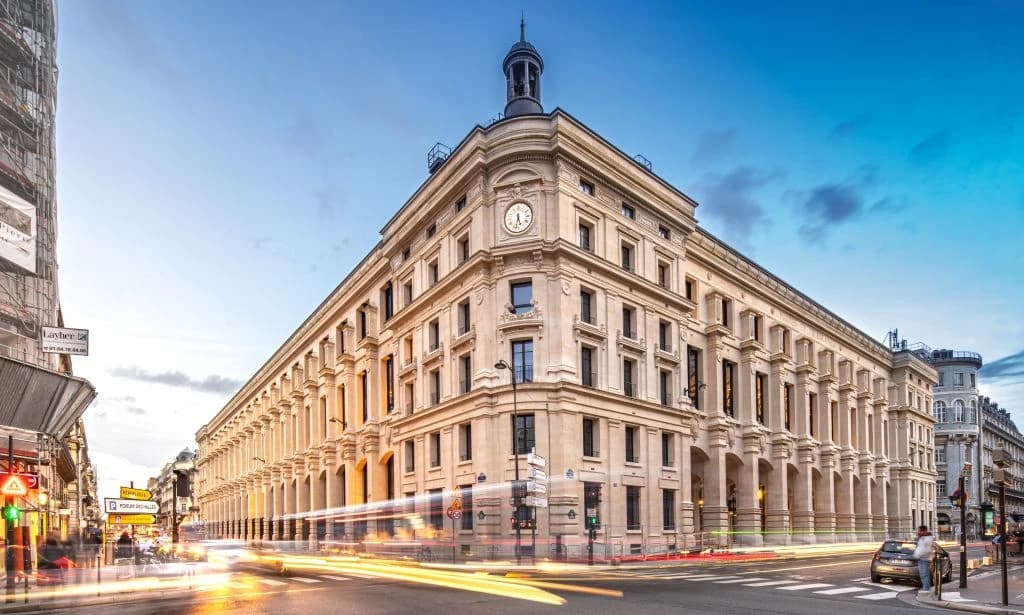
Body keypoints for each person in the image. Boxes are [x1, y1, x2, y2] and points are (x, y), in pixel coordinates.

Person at [913, 525, 935, 594]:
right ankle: (925, 588)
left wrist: (917, 555)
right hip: (922, 558)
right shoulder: (923, 538)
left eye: (919, 531)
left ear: (924, 531)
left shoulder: (926, 539)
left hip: (924, 559)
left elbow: (925, 550)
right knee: (923, 574)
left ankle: (926, 589)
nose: (918, 532)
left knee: (924, 574)